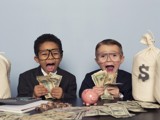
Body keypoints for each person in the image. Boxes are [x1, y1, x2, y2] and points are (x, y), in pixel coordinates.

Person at [17, 34, 77, 99]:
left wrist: (63, 95)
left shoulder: (70, 78)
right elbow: (20, 99)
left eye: (55, 53)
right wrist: (33, 95)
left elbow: (74, 99)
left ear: (61, 57)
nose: (50, 57)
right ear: (37, 59)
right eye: (44, 54)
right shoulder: (25, 77)